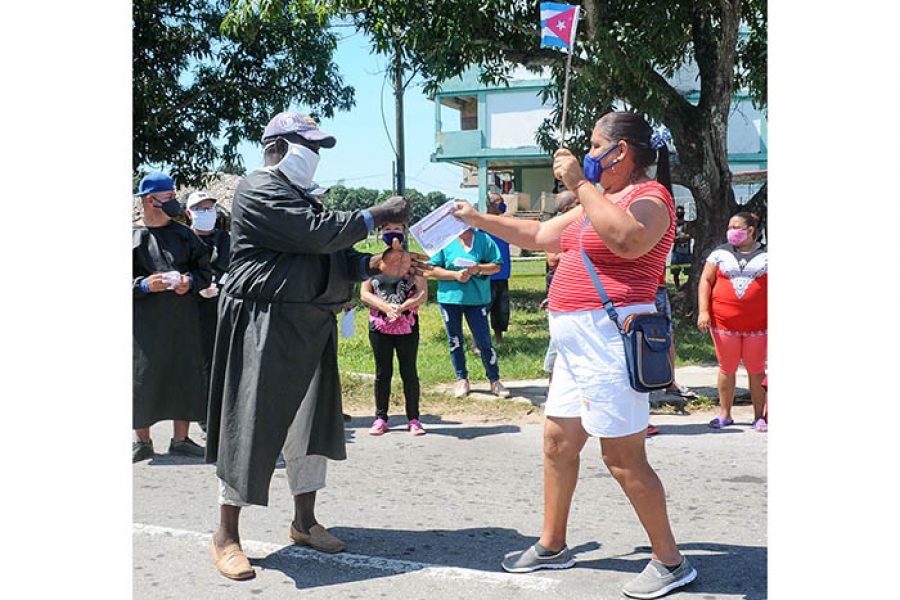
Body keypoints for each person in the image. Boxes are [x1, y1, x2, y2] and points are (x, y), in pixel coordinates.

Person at [453, 111, 697, 599]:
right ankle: (552, 544)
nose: (586, 152)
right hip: (575, 343)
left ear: (620, 152)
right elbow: (541, 236)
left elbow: (628, 241)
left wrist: (580, 184)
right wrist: (478, 219)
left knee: (622, 455)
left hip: (610, 338)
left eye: (594, 144)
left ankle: (670, 562)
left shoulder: (651, 198)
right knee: (557, 444)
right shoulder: (598, 198)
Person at [204, 111, 427, 580]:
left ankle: (304, 521)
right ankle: (226, 534)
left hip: (310, 323)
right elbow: (316, 233)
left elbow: (336, 255)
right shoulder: (258, 188)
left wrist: (379, 266)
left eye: (321, 149)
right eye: (310, 147)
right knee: (251, 424)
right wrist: (375, 215)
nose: (316, 157)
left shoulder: (303, 197)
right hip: (262, 323)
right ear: (278, 147)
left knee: (310, 430)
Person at [133, 172, 212, 463]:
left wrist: (189, 282)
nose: (172, 202)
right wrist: (142, 285)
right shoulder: (131, 235)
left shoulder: (185, 235)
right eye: (167, 197)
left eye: (173, 196)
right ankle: (142, 441)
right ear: (149, 200)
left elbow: (205, 272)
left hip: (182, 320)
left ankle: (181, 439)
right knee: (141, 378)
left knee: (184, 374)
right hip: (142, 325)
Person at [697, 211, 768, 432]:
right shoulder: (719, 254)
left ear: (750, 231)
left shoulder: (767, 255)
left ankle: (759, 416)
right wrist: (703, 311)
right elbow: (705, 281)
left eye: (736, 227)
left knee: (756, 370)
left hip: (759, 325)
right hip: (723, 324)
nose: (731, 231)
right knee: (726, 368)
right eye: (730, 227)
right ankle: (725, 414)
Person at [360, 221, 428, 436]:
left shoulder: (413, 262)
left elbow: (422, 293)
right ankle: (380, 418)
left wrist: (402, 307)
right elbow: (364, 293)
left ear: (405, 233)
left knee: (409, 372)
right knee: (382, 372)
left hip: (407, 325)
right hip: (379, 326)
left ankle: (414, 419)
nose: (393, 233)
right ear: (380, 234)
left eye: (397, 229)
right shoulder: (372, 262)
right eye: (388, 229)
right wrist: (385, 307)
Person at [427, 226, 511, 399]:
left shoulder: (484, 240)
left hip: (477, 299)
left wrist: (478, 268)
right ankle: (461, 379)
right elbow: (431, 269)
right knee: (455, 340)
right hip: (450, 299)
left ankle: (494, 380)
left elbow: (496, 265)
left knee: (484, 340)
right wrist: (454, 275)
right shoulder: (445, 241)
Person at [185, 190, 231, 435]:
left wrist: (222, 286)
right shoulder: (184, 239)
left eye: (210, 208)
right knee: (201, 364)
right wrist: (197, 288)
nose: (206, 213)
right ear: (189, 213)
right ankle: (204, 417)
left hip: (225, 308)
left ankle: (223, 414)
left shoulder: (226, 240)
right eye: (200, 209)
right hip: (194, 312)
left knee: (223, 362)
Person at [540, 191, 579, 381]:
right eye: (578, 204)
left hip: (580, 292)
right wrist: (580, 254)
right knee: (558, 340)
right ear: (566, 209)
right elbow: (553, 259)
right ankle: (551, 380)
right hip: (559, 291)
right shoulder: (555, 228)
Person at [486, 192, 512, 347]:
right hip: (487, 276)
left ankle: (499, 338)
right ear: (489, 205)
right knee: (484, 309)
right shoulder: (482, 224)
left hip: (503, 274)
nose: (502, 205)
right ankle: (478, 341)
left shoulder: (505, 224)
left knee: (501, 310)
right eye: (498, 202)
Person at [669, 205, 692, 290]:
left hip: (687, 252)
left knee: (689, 271)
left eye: (681, 212)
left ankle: (687, 287)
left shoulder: (687, 224)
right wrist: (679, 239)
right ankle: (677, 287)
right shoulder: (673, 225)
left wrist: (681, 238)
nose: (680, 213)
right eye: (678, 212)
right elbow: (672, 238)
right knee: (675, 272)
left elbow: (689, 236)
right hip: (676, 252)